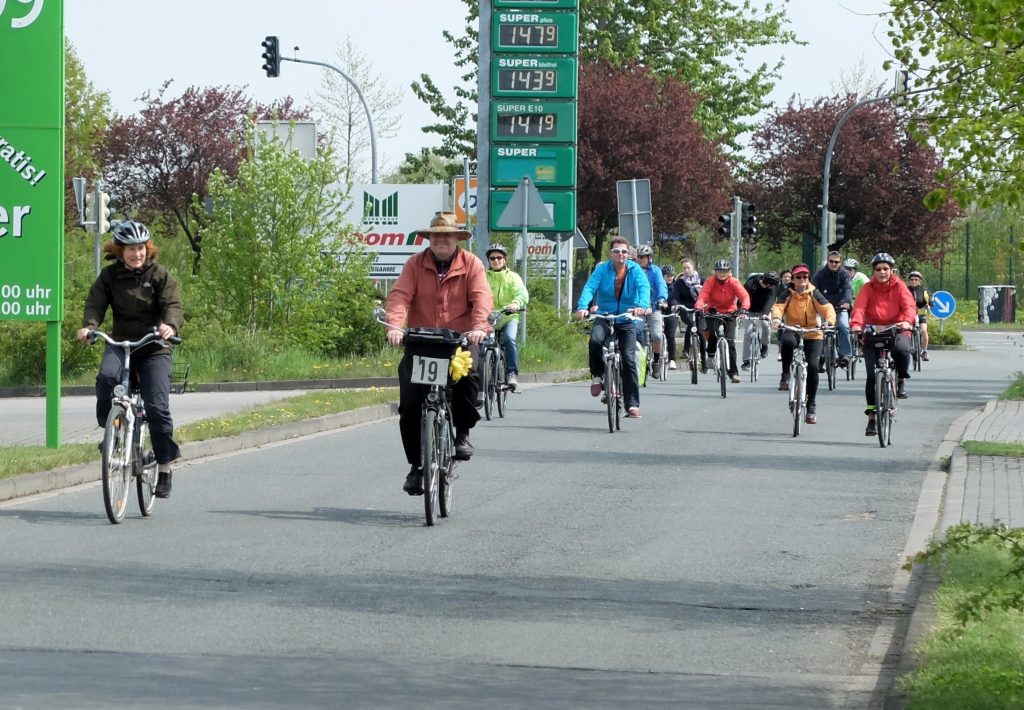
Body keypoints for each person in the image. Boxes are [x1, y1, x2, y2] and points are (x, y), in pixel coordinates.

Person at [385, 211, 493, 496]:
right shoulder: (415, 264)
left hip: (459, 340)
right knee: (409, 402)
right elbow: (400, 296)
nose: (441, 240)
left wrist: (480, 327)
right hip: (421, 341)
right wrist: (395, 326)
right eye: (436, 235)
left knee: (470, 377)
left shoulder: (471, 264)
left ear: (457, 238)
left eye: (447, 235)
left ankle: (462, 435)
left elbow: (481, 297)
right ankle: (417, 467)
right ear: (429, 238)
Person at [76, 221, 183, 499]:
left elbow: (172, 305)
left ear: (147, 249)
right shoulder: (109, 277)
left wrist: (169, 326)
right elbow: (95, 304)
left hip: (153, 346)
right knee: (107, 379)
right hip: (121, 344)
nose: (137, 254)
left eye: (141, 249)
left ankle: (164, 467)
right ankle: (111, 432)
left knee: (157, 408)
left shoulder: (160, 275)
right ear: (120, 251)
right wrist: (89, 326)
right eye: (131, 249)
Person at [575, 236, 651, 418]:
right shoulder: (602, 270)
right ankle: (598, 375)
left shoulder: (636, 271)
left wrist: (641, 306)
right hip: (605, 315)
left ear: (628, 254)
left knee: (629, 359)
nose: (620, 255)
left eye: (624, 251)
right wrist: (582, 307)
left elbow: (644, 288)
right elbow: (589, 288)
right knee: (595, 340)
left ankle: (632, 404)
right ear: (610, 253)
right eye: (616, 251)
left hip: (626, 318)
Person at [850, 253, 916, 437]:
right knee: (872, 375)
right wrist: (856, 324)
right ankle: (871, 417)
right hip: (873, 330)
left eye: (885, 269)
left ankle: (901, 379)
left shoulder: (900, 286)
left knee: (902, 350)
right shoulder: (867, 288)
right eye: (878, 269)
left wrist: (908, 321)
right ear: (874, 271)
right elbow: (860, 308)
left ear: (891, 270)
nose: (882, 272)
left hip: (897, 328)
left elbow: (909, 306)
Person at [771, 264, 836, 424]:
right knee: (786, 341)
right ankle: (785, 374)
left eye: (805, 277)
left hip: (813, 331)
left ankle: (811, 405)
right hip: (793, 328)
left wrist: (829, 321)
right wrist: (777, 319)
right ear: (792, 279)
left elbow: (827, 307)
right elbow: (778, 307)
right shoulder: (787, 293)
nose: (802, 280)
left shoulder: (814, 293)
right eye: (798, 277)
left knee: (814, 367)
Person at [694, 258, 750, 383]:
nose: (722, 273)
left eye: (724, 271)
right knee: (713, 334)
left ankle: (733, 373)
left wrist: (744, 308)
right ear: (715, 272)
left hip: (730, 312)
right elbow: (703, 295)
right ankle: (711, 354)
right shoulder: (710, 281)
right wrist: (699, 306)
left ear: (729, 272)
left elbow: (744, 296)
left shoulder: (734, 282)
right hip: (713, 311)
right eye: (719, 271)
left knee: (730, 342)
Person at [484, 245, 529, 390]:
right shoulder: (482, 276)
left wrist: (516, 303)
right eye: (492, 258)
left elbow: (522, 294)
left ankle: (511, 373)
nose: (496, 260)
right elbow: (475, 292)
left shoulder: (513, 277)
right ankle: (480, 377)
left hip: (508, 316)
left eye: (499, 257)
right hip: (488, 317)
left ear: (504, 260)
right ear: (489, 260)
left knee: (510, 339)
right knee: (481, 344)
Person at [812, 251, 853, 367]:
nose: (834, 264)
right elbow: (813, 289)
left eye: (836, 262)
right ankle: (820, 356)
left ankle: (845, 355)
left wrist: (846, 301)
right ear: (828, 261)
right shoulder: (820, 274)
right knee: (819, 330)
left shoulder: (844, 274)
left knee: (844, 326)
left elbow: (848, 289)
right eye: (831, 261)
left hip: (840, 307)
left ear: (840, 263)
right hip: (823, 308)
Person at [634, 245, 668, 375]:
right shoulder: (634, 270)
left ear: (649, 258)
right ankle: (638, 360)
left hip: (654, 307)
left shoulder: (655, 271)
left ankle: (656, 362)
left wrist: (662, 299)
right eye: (639, 257)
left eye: (643, 257)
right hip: (639, 308)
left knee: (657, 335)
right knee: (635, 332)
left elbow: (661, 285)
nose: (641, 259)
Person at [669, 258, 705, 371]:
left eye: (688, 267)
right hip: (686, 309)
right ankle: (686, 349)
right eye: (684, 268)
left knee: (700, 332)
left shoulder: (702, 280)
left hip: (700, 308)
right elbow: (675, 296)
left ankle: (704, 361)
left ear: (693, 267)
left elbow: (708, 293)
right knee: (691, 324)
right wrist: (675, 305)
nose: (686, 270)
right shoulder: (680, 282)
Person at [740, 270, 779, 369]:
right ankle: (746, 360)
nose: (770, 287)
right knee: (748, 332)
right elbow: (743, 297)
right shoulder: (750, 283)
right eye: (768, 285)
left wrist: (765, 314)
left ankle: (764, 345)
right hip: (750, 309)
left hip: (763, 310)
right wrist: (742, 311)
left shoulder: (773, 287)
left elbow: (770, 300)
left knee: (766, 325)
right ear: (765, 282)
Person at [906, 270, 931, 361]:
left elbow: (929, 298)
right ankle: (907, 347)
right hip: (909, 313)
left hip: (921, 311)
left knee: (924, 330)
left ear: (919, 281)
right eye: (912, 280)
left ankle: (924, 351)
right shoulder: (905, 290)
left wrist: (930, 303)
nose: (914, 281)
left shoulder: (924, 290)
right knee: (905, 331)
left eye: (916, 280)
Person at [661, 264, 679, 369]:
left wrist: (674, 305)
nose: (670, 278)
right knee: (656, 335)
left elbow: (677, 297)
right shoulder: (658, 284)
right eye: (667, 276)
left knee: (670, 335)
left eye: (672, 276)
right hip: (659, 311)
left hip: (672, 312)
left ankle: (672, 359)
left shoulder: (676, 286)